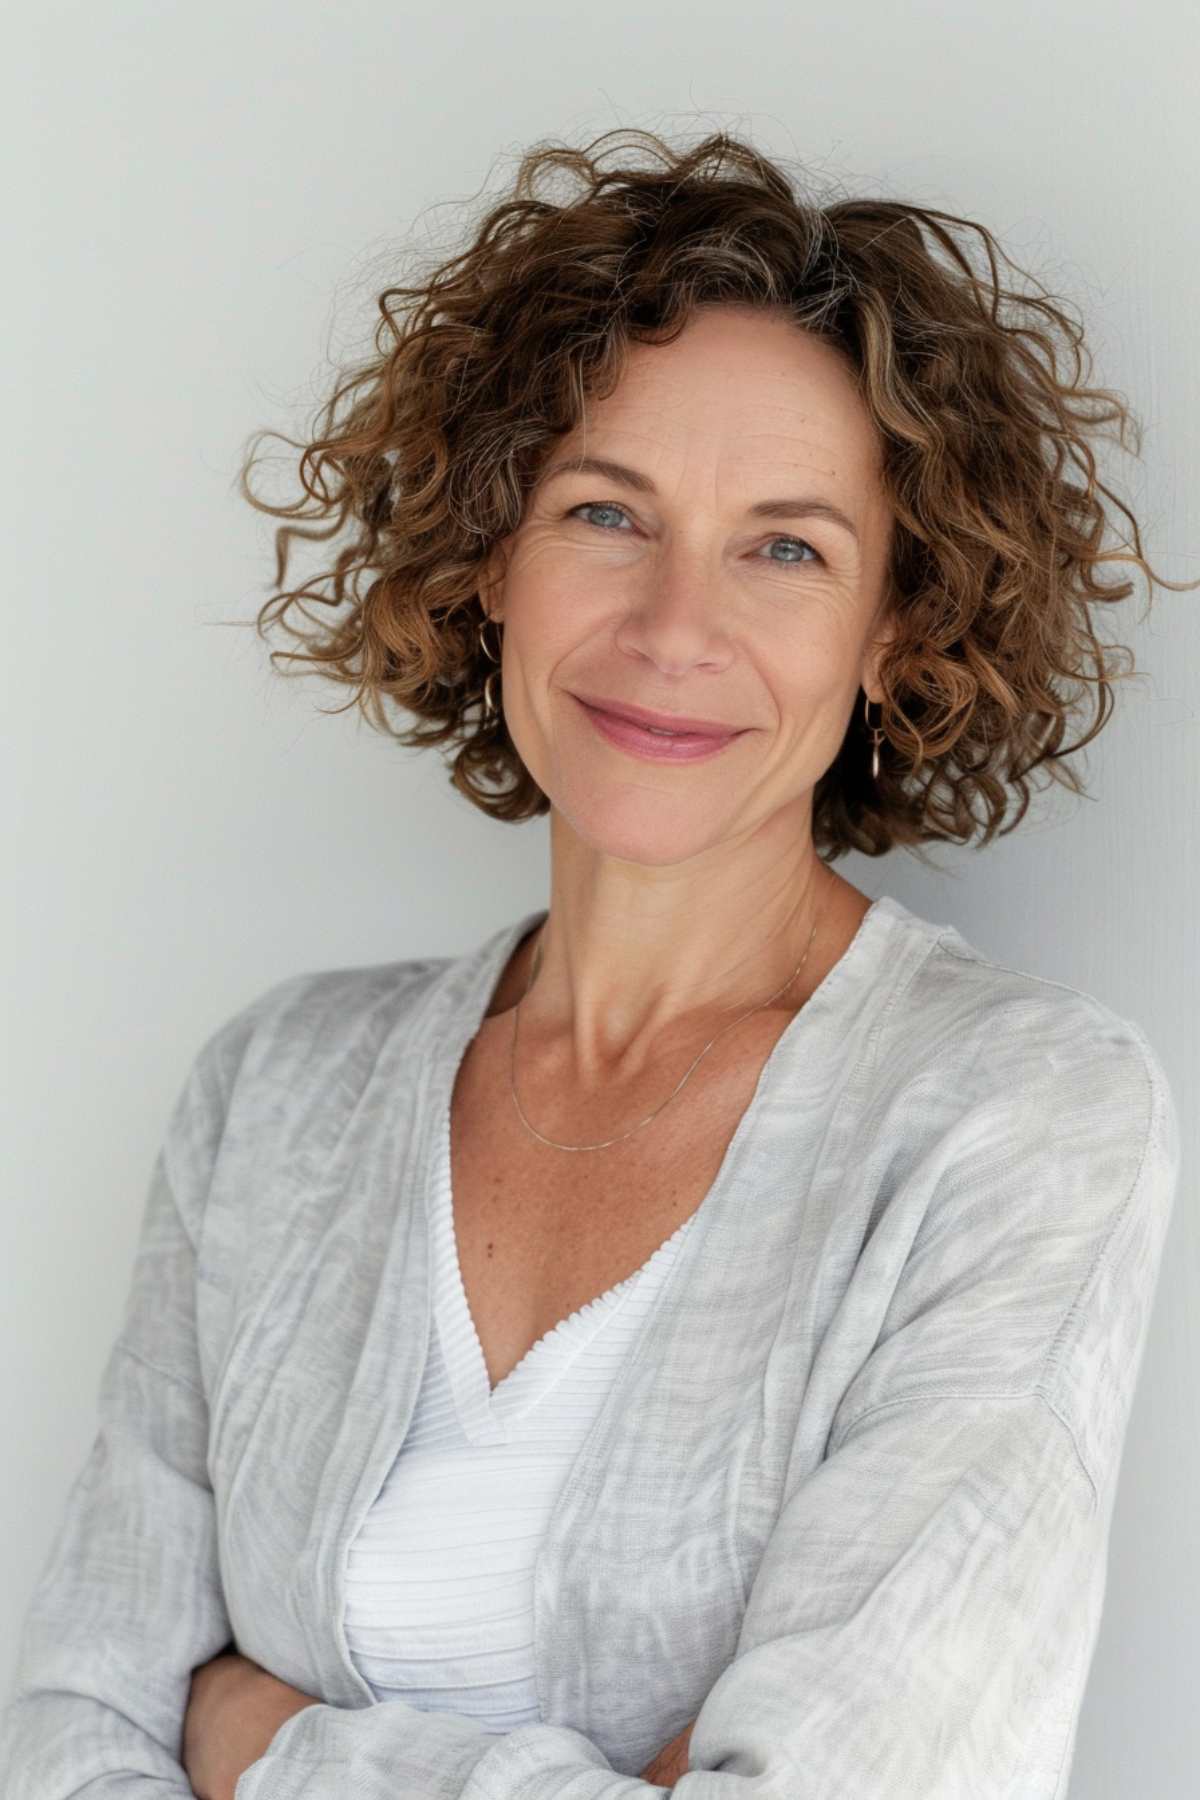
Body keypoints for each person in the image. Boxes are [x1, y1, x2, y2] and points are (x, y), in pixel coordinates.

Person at [1, 127, 1190, 1800]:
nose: (673, 626)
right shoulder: (274, 1090)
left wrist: (268, 1748)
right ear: (490, 550)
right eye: (605, 512)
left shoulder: (1015, 1116)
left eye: (787, 547)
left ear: (898, 627)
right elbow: (70, 1736)